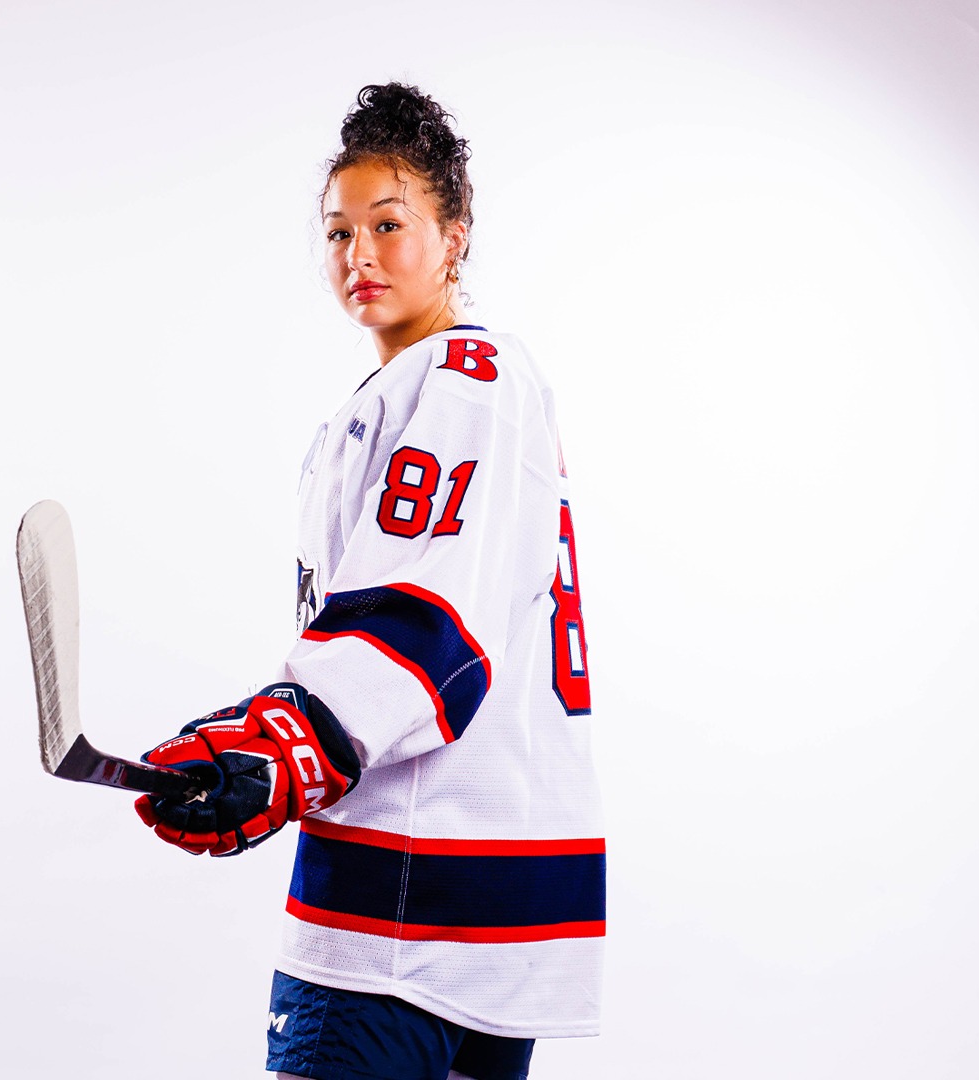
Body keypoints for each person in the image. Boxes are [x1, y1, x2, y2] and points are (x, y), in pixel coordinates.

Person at [131, 82, 603, 1080]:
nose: (359, 255)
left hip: (401, 919)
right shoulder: (415, 395)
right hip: (477, 920)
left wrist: (282, 743)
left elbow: (429, 622)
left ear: (455, 236)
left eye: (390, 225)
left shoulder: (466, 380)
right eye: (338, 232)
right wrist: (266, 725)